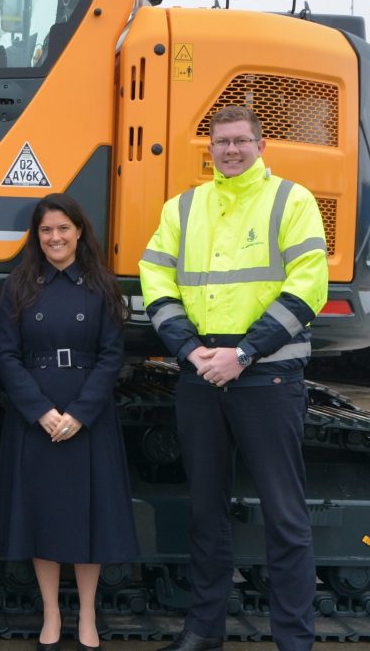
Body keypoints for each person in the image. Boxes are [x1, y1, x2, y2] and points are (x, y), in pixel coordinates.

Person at [139, 105, 328, 651]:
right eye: (222, 142)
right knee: (206, 513)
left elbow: (309, 286)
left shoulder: (292, 201)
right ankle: (204, 631)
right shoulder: (184, 207)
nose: (231, 150)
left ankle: (294, 641)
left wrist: (242, 353)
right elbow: (156, 276)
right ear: (211, 149)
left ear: (260, 145)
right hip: (201, 375)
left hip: (266, 377)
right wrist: (190, 349)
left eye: (241, 140)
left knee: (285, 517)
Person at [0, 194, 138, 651]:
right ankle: (51, 613)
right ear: (36, 235)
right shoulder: (18, 286)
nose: (55, 237)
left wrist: (80, 414)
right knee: (42, 517)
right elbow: (6, 356)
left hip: (87, 416)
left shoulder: (102, 285)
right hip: (37, 416)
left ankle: (87, 614)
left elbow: (112, 356)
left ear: (79, 232)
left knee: (89, 518)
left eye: (63, 229)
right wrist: (41, 411)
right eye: (46, 230)